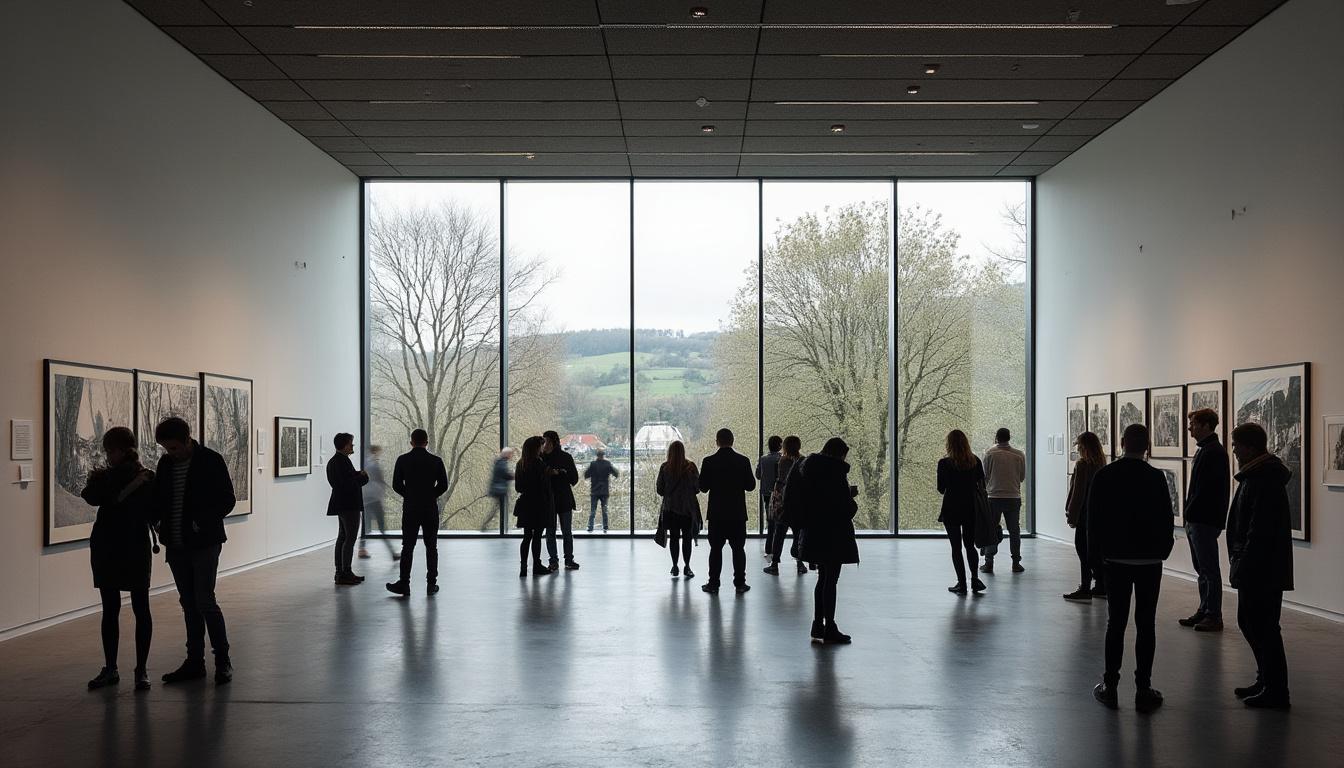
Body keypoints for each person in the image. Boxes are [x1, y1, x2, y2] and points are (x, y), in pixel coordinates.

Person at [1087, 424, 1174, 713]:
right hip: (1150, 561)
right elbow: (1166, 517)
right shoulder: (1155, 477)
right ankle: (1143, 688)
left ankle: (1110, 686)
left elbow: (1094, 521)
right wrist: (1163, 550)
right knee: (1145, 624)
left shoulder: (1105, 475)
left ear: (1122, 442)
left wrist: (1096, 561)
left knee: (1116, 623)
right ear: (1147, 446)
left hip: (1116, 560)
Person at [150, 416, 235, 685]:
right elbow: (162, 499)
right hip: (176, 544)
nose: (170, 454)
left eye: (174, 448)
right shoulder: (165, 464)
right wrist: (157, 518)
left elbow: (227, 500)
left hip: (204, 543)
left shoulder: (210, 460)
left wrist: (203, 521)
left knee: (205, 601)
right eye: (166, 449)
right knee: (188, 604)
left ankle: (222, 660)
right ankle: (194, 662)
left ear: (188, 440)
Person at [81, 426, 155, 691]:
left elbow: (152, 509)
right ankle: (113, 667)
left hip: (131, 546)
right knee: (111, 609)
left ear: (125, 450)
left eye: (111, 450)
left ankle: (140, 669)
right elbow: (91, 496)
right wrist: (130, 485)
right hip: (110, 548)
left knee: (139, 608)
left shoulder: (144, 477)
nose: (108, 455)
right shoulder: (115, 478)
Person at [1226, 422, 1294, 709]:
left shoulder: (1263, 480)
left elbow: (1259, 530)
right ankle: (1266, 679)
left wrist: (1243, 564)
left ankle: (1276, 689)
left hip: (1260, 568)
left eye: (1236, 445)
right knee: (1254, 623)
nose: (1234, 450)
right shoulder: (1258, 476)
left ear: (1249, 447)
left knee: (1262, 626)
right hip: (1259, 566)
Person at [796, 438, 860, 644]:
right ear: (839, 454)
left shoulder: (809, 470)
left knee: (822, 579)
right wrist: (851, 499)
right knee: (831, 580)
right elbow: (844, 507)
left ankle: (817, 623)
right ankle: (830, 625)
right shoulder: (836, 473)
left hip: (814, 531)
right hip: (834, 533)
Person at [1179, 408, 1231, 632]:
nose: (1189, 428)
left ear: (1207, 425)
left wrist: (1193, 514)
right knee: (1202, 569)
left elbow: (1212, 491)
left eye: (1194, 423)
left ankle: (1213, 615)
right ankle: (1205, 609)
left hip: (1204, 520)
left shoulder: (1214, 452)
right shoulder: (1207, 450)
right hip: (1198, 520)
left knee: (1209, 569)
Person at [385, 429, 449, 597]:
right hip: (429, 508)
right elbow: (443, 485)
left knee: (408, 546)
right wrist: (430, 495)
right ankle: (431, 584)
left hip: (411, 508)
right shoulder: (436, 461)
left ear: (411, 442)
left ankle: (404, 584)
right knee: (431, 546)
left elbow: (396, 484)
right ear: (426, 442)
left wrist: (411, 495)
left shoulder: (403, 460)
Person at [697, 428, 756, 594]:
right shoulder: (743, 461)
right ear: (732, 440)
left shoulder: (708, 461)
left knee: (715, 550)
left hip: (716, 514)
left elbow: (703, 487)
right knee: (738, 549)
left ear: (717, 441)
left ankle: (713, 583)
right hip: (737, 513)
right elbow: (751, 486)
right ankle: (740, 583)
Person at [937, 430, 986, 595]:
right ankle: (975, 579)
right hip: (971, 507)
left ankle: (961, 583)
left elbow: (941, 489)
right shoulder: (975, 461)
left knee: (956, 547)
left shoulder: (944, 464)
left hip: (951, 508)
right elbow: (981, 485)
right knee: (970, 545)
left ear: (949, 444)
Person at [1063, 431, 1107, 601]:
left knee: (1083, 550)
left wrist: (1071, 515)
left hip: (1084, 514)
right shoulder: (1101, 464)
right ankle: (1101, 586)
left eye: (1079, 445)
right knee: (1095, 550)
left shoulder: (1082, 465)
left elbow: (1078, 493)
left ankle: (1085, 587)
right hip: (1098, 514)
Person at [980, 427, 1027, 574]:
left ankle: (989, 562)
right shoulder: (1019, 455)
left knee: (991, 529)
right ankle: (1016, 562)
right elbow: (1021, 477)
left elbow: (985, 476)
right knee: (1014, 531)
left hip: (993, 497)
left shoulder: (989, 454)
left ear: (996, 438)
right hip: (1013, 496)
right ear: (1009, 437)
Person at [327, 433, 369, 586]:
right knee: (350, 538)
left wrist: (356, 475)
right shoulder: (342, 462)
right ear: (345, 445)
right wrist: (363, 477)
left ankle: (340, 572)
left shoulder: (335, 461)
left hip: (341, 504)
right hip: (349, 504)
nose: (353, 446)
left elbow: (344, 480)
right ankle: (346, 572)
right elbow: (349, 484)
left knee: (343, 537)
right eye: (351, 444)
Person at [656, 440, 701, 578]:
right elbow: (697, 488)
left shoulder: (665, 467)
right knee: (687, 538)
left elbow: (660, 490)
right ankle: (687, 567)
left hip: (671, 509)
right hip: (687, 509)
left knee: (674, 538)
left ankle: (675, 566)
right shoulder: (691, 467)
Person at [765, 435, 807, 576]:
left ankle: (775, 564)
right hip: (799, 501)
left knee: (779, 533)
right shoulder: (803, 460)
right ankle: (800, 562)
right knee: (797, 533)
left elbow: (780, 481)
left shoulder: (782, 461)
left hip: (782, 500)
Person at [513, 437, 552, 578]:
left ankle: (523, 567)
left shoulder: (520, 464)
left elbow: (518, 487)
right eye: (541, 446)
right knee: (537, 536)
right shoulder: (539, 464)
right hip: (539, 504)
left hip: (525, 504)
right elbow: (545, 485)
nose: (543, 449)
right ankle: (537, 565)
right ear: (536, 448)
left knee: (527, 536)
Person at [541, 430, 581, 570]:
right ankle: (566, 560)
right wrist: (562, 473)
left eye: (545, 441)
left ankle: (555, 561)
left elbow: (574, 479)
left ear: (553, 442)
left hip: (553, 499)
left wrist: (558, 473)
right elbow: (574, 479)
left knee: (555, 532)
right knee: (563, 532)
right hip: (561, 498)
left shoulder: (541, 459)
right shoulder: (565, 457)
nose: (544, 444)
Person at [357, 445, 395, 560]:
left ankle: (362, 550)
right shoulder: (373, 465)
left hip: (366, 498)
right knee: (381, 526)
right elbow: (380, 481)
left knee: (364, 526)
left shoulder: (365, 463)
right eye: (378, 452)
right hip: (374, 499)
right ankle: (392, 552)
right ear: (375, 452)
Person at [756, 435, 783, 559]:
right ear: (779, 446)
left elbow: (758, 475)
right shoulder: (782, 459)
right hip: (780, 493)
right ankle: (776, 548)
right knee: (780, 521)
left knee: (770, 520)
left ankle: (769, 547)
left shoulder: (763, 459)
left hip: (766, 493)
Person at [584, 449, 619, 533]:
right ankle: (605, 527)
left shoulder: (593, 464)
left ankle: (590, 527)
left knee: (593, 511)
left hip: (594, 491)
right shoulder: (607, 464)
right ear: (603, 455)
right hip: (604, 491)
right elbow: (616, 473)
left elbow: (586, 475)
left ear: (597, 455)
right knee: (604, 511)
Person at [485, 447, 514, 534]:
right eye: (510, 454)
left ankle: (502, 527)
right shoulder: (502, 463)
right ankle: (504, 528)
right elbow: (505, 474)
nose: (511, 456)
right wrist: (514, 476)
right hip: (500, 489)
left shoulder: (499, 462)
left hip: (498, 489)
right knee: (502, 508)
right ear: (507, 454)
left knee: (498, 508)